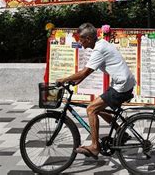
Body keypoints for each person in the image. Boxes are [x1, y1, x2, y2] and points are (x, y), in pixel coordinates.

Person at [56, 23, 136, 159]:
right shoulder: (101, 44)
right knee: (100, 108)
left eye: (81, 39)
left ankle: (94, 147)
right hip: (123, 82)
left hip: (121, 85)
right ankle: (121, 132)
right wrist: (75, 81)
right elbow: (86, 73)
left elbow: (84, 71)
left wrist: (63, 79)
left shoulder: (99, 49)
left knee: (91, 109)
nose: (80, 42)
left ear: (88, 38)